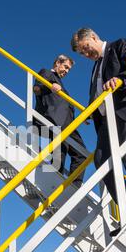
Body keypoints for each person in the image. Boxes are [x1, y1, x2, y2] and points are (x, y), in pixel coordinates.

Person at [71, 28, 126, 234]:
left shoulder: (120, 44)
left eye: (85, 49)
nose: (86, 54)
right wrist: (90, 111)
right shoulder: (95, 67)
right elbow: (97, 93)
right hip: (106, 121)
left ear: (93, 37)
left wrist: (120, 80)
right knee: (101, 161)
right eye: (82, 53)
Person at [33, 55, 87, 188]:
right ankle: (53, 188)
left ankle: (74, 187)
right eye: (65, 67)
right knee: (59, 158)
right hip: (55, 121)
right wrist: (50, 86)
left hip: (68, 124)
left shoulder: (61, 83)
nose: (67, 71)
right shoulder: (47, 73)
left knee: (81, 154)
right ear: (57, 63)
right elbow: (37, 89)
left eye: (69, 69)